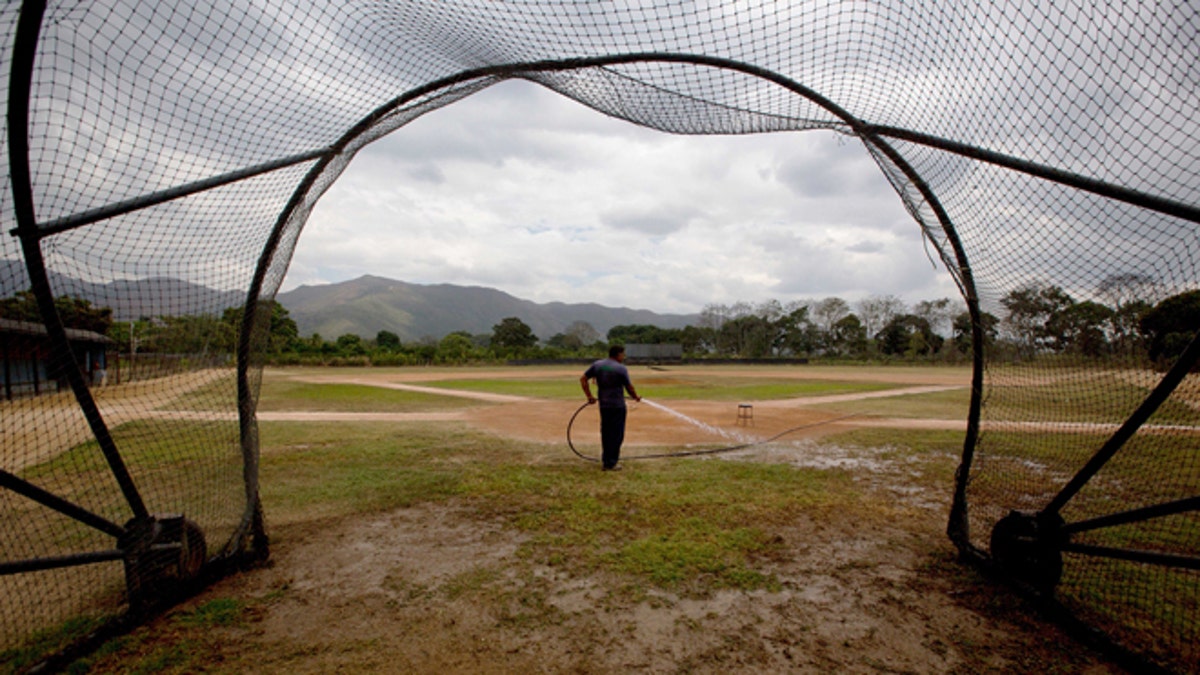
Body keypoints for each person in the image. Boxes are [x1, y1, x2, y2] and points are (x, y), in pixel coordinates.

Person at [580, 344, 641, 470]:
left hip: (604, 405)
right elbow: (629, 387)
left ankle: (607, 460)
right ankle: (610, 463)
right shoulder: (621, 368)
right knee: (617, 434)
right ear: (618, 354)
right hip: (617, 406)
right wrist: (636, 397)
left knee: (606, 433)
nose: (623, 357)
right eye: (623, 354)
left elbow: (583, 379)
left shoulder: (598, 365)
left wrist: (589, 396)